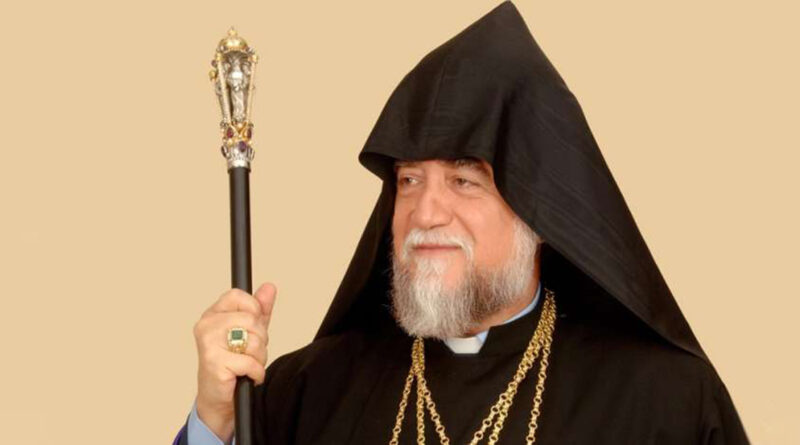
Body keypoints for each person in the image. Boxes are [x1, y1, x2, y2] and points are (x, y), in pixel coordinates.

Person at [173, 2, 749, 444]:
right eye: (409, 180)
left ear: (538, 212)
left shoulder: (666, 402)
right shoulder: (309, 393)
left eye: (464, 180)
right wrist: (215, 420)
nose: (425, 214)